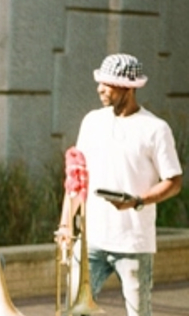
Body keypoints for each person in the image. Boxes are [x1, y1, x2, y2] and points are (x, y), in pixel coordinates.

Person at [58, 53, 183, 316]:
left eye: (107, 83)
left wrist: (137, 201)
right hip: (91, 240)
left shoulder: (156, 129)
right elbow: (77, 177)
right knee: (74, 312)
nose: (100, 88)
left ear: (128, 87)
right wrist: (66, 224)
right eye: (100, 82)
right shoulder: (92, 121)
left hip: (133, 244)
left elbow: (173, 182)